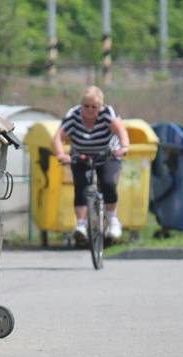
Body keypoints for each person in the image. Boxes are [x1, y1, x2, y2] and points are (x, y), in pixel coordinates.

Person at [53, 86, 130, 243]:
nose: (89, 110)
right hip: (81, 155)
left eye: (94, 107)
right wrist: (61, 154)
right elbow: (58, 138)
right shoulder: (73, 116)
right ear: (81, 105)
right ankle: (81, 225)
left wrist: (124, 147)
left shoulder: (107, 114)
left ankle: (112, 219)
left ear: (100, 107)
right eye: (85, 106)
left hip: (107, 154)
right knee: (80, 186)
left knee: (109, 183)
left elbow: (121, 131)